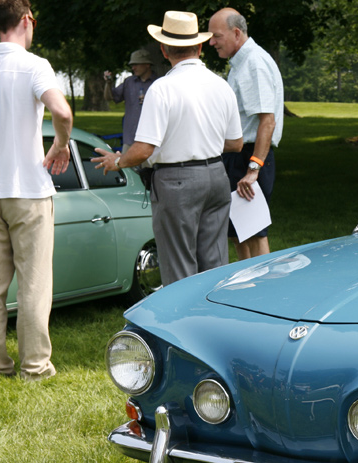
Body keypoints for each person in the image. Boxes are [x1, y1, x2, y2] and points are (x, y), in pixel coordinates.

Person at [0, 0, 73, 381]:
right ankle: (34, 366)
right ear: (26, 20)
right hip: (29, 189)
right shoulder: (35, 66)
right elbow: (63, 112)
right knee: (34, 282)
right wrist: (61, 144)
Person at [92, 10, 242, 286]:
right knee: (215, 264)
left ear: (163, 49)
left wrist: (118, 161)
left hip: (177, 181)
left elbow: (144, 150)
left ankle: (184, 325)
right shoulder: (221, 86)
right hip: (216, 175)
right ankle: (215, 322)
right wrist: (200, 141)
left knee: (179, 266)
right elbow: (235, 143)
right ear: (198, 46)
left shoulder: (162, 89)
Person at [208, 7, 284, 261]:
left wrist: (254, 168)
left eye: (217, 36)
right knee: (237, 232)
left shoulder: (254, 63)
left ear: (237, 33)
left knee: (253, 231)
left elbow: (267, 121)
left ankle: (262, 291)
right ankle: (245, 283)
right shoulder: (241, 62)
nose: (211, 42)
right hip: (238, 155)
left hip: (251, 157)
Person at [104, 49, 158, 152]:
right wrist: (108, 83)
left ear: (147, 64)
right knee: (127, 168)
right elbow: (109, 97)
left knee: (151, 168)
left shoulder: (158, 83)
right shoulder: (129, 82)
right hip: (130, 140)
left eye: (136, 64)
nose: (133, 68)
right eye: (132, 65)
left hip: (151, 141)